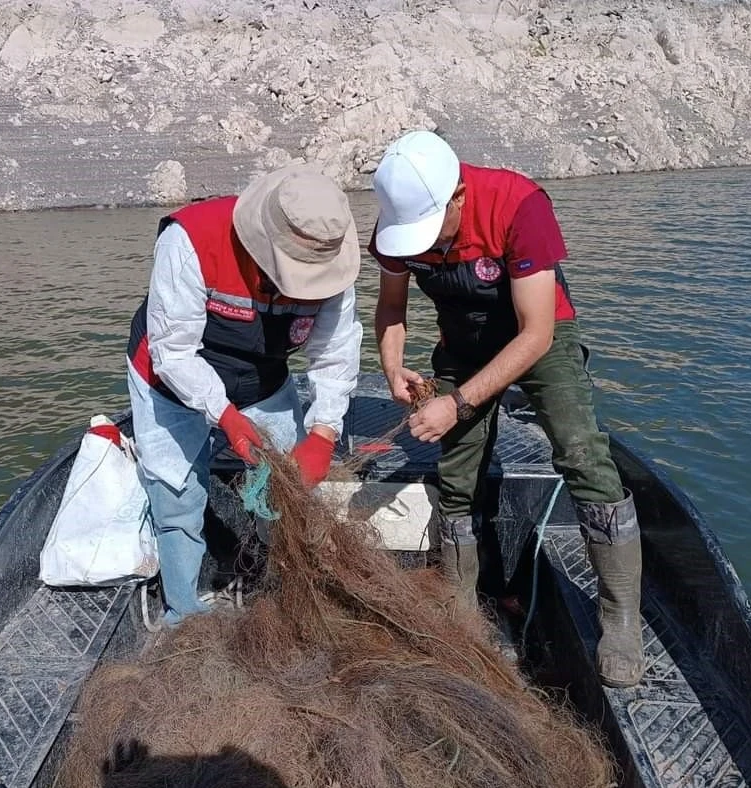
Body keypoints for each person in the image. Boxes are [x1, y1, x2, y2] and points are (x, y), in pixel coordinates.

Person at [368, 130, 644, 688]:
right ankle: (461, 609)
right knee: (456, 474)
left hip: (538, 336)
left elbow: (537, 332)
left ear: (460, 197)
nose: (427, 247)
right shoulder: (396, 230)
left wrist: (458, 402)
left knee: (581, 453)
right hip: (463, 343)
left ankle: (619, 616)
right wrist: (392, 367)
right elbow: (391, 309)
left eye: (434, 231)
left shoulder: (520, 205)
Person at [126, 164, 363, 626]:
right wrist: (226, 417)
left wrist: (325, 432)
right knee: (177, 495)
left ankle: (277, 589)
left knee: (290, 491)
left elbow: (335, 354)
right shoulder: (192, 240)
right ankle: (183, 613)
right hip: (168, 378)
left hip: (263, 376)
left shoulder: (332, 262)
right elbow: (173, 352)